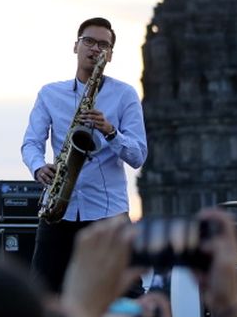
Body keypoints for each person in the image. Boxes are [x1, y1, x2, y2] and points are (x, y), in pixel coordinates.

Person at [21, 17, 148, 293]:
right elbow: (30, 143)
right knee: (43, 294)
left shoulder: (125, 95)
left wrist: (110, 131)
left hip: (108, 213)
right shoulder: (49, 94)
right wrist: (38, 167)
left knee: (129, 294)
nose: (95, 49)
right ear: (75, 46)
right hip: (59, 210)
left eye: (103, 45)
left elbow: (138, 156)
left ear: (110, 55)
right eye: (89, 41)